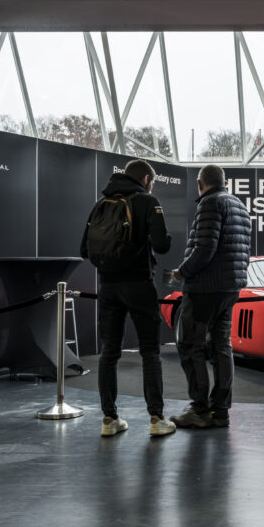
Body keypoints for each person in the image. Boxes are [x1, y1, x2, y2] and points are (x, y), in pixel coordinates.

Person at [81, 159, 175, 438]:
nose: (152, 186)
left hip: (108, 287)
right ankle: (157, 418)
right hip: (139, 285)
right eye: (152, 181)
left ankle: (109, 419)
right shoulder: (148, 201)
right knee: (150, 352)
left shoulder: (101, 204)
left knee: (109, 352)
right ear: (145, 179)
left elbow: (84, 249)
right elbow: (162, 244)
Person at [169, 164, 251, 429]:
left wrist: (182, 272)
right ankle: (220, 411)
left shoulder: (209, 203)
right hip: (230, 288)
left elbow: (204, 247)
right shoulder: (239, 206)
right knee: (221, 346)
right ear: (224, 181)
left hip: (205, 288)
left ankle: (199, 409)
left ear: (200, 183)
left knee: (189, 345)